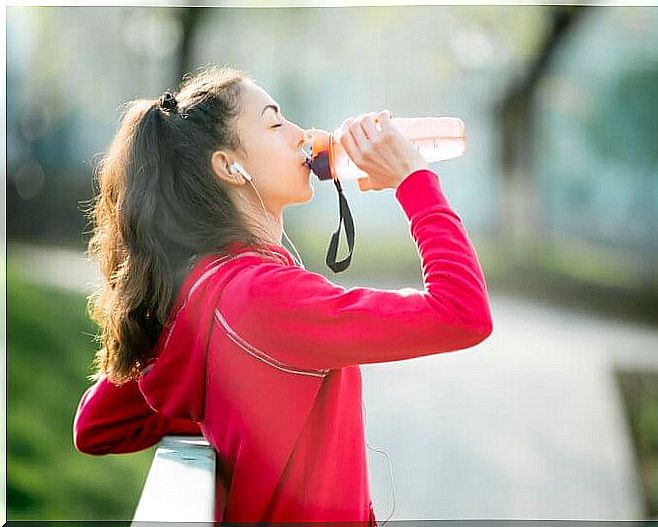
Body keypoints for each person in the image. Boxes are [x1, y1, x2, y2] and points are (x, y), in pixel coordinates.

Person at [72, 64, 493, 524]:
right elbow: (462, 312)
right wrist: (413, 181)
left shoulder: (197, 293)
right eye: (275, 122)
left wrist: (237, 410)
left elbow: (97, 425)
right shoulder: (267, 298)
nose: (304, 136)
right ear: (229, 167)